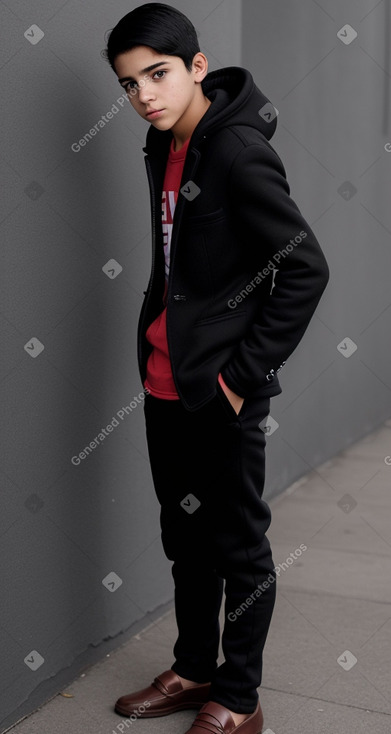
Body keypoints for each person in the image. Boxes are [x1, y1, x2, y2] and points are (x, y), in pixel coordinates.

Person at [106, 4, 329, 732]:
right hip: (163, 382)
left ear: (197, 68)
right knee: (186, 538)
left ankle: (238, 697)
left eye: (158, 74)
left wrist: (240, 376)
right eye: (129, 84)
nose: (144, 94)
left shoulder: (235, 151)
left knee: (238, 547)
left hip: (219, 391)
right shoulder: (159, 145)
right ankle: (195, 667)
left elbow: (303, 269)